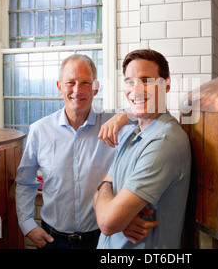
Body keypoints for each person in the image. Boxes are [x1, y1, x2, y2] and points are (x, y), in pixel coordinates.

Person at [15, 54, 156, 249]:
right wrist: (27, 224)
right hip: (53, 241)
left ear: (96, 87)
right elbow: (25, 181)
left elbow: (158, 110)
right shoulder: (39, 130)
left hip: (102, 239)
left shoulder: (114, 122)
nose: (77, 90)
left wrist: (124, 114)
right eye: (70, 83)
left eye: (85, 83)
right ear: (59, 86)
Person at [93, 49, 192, 249]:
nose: (135, 90)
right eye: (130, 81)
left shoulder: (163, 142)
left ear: (167, 85)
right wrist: (107, 193)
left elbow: (107, 222)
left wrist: (107, 197)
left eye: (146, 80)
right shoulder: (133, 133)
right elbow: (104, 190)